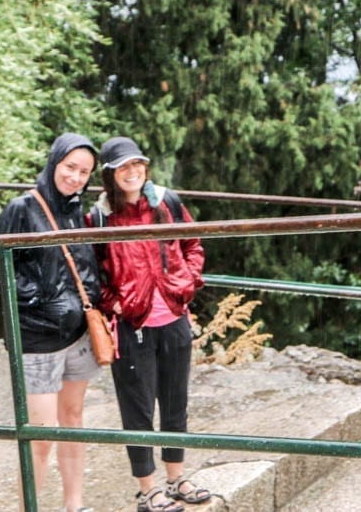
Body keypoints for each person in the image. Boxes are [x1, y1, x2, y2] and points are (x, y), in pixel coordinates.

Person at [87, 136, 210, 512]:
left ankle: (176, 479)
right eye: (124, 167)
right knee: (137, 408)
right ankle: (148, 489)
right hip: (131, 324)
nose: (133, 172)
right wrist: (116, 303)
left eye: (137, 164)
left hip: (173, 316)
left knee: (176, 403)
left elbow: (193, 246)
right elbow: (92, 273)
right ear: (110, 173)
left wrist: (186, 283)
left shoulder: (166, 203)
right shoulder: (99, 218)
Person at [0, 132, 101, 512]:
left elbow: (84, 264)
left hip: (76, 334)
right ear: (54, 162)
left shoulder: (77, 211)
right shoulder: (22, 208)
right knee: (40, 436)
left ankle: (74, 505)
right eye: (70, 167)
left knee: (73, 421)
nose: (75, 177)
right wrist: (40, 299)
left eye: (84, 171)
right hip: (37, 338)